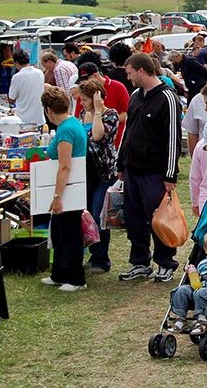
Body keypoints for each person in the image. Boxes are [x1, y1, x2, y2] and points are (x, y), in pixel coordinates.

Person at [116, 53, 182, 283]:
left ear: (141, 70)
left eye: (130, 72)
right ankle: (139, 262)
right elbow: (127, 132)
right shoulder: (135, 96)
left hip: (155, 172)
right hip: (132, 170)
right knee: (134, 219)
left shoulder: (168, 98)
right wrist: (120, 162)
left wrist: (170, 173)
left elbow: (173, 138)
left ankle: (165, 262)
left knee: (159, 219)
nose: (128, 77)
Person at [39, 85, 88, 292]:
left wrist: (58, 195)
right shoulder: (70, 124)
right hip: (68, 187)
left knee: (69, 233)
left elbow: (65, 165)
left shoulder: (66, 129)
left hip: (69, 190)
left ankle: (76, 278)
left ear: (48, 110)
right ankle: (59, 272)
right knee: (59, 232)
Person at [77, 79, 119, 273]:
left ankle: (102, 258)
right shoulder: (81, 114)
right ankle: (92, 254)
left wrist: (97, 111)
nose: (82, 103)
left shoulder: (110, 115)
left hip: (104, 172)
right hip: (86, 171)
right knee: (86, 215)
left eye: (86, 100)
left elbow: (98, 135)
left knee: (98, 214)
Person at [170, 229, 207, 336]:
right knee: (182, 290)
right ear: (205, 250)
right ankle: (180, 318)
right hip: (199, 287)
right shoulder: (203, 263)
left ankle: (202, 320)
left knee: (201, 292)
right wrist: (192, 270)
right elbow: (198, 278)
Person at [76, 62, 130, 148]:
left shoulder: (118, 87)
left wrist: (107, 120)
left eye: (86, 80)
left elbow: (127, 112)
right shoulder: (83, 96)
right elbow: (78, 117)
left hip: (115, 143)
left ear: (94, 76)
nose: (85, 84)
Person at [7, 50, 45, 126]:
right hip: (39, 119)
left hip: (23, 120)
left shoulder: (17, 77)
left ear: (16, 62)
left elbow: (11, 100)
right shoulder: (40, 73)